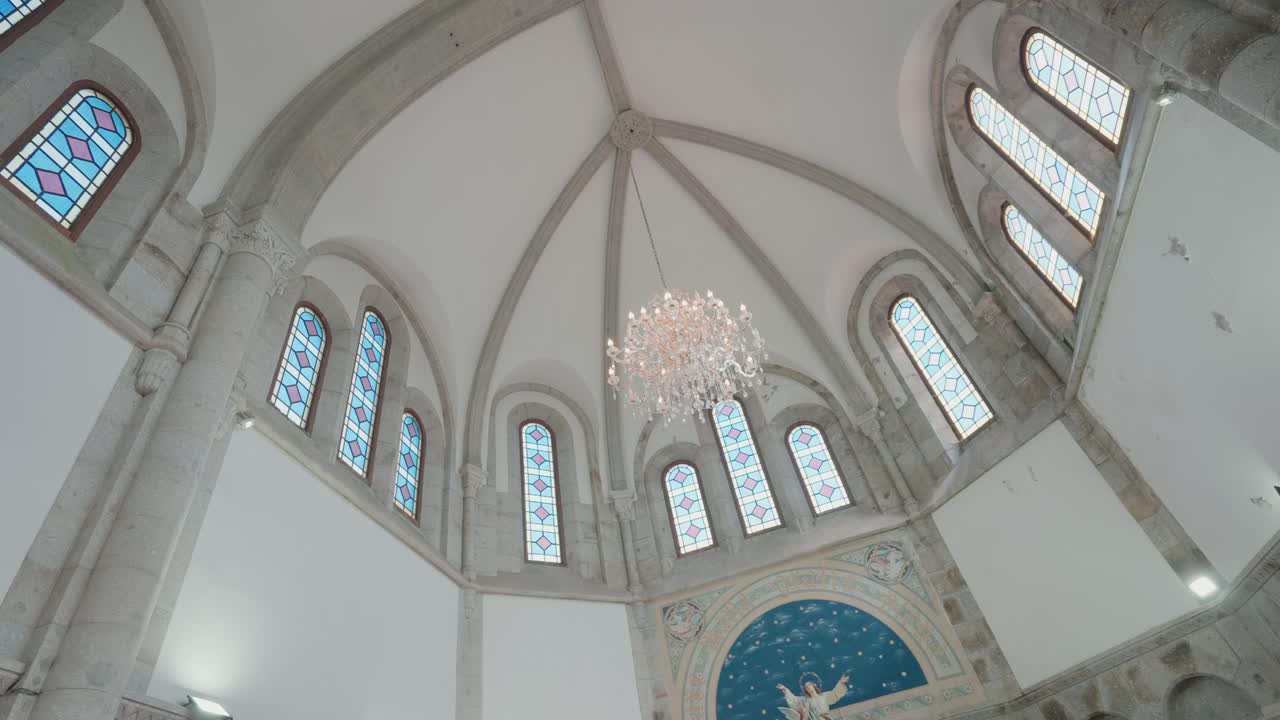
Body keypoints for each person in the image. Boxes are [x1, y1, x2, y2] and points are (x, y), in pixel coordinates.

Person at [776, 673, 849, 720]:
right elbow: (794, 700)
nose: (808, 687)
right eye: (806, 687)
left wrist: (840, 682)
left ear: (814, 685)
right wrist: (786, 690)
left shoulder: (824, 696)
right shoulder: (805, 700)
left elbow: (835, 693)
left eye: (809, 685)